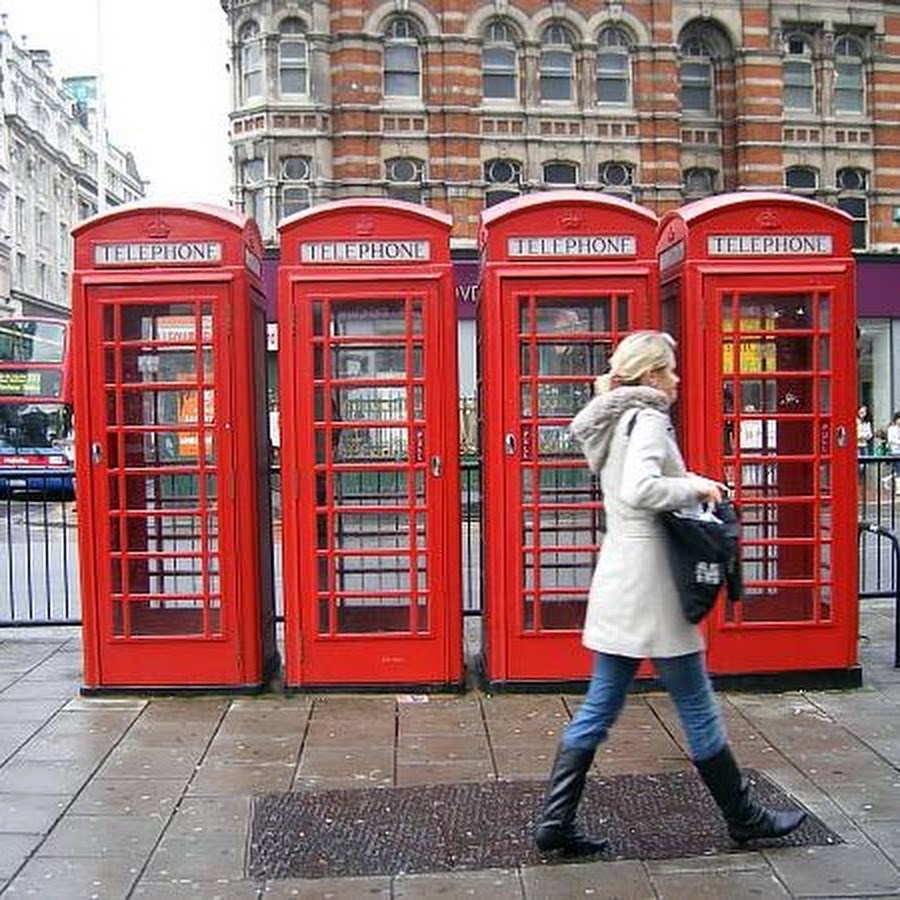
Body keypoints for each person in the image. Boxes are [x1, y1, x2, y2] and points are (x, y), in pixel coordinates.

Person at [533, 330, 806, 856]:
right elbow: (642, 488)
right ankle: (743, 817)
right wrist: (698, 485)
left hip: (619, 577)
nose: (677, 379)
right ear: (652, 374)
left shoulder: (611, 417)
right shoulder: (650, 417)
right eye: (671, 369)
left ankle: (556, 821)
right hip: (654, 583)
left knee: (599, 707)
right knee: (697, 706)